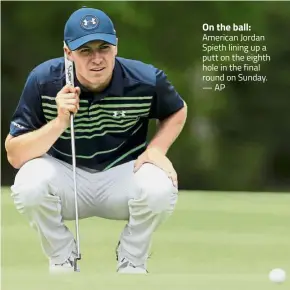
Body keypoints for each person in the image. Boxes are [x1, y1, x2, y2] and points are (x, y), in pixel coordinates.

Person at [5, 7, 187, 274]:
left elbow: (177, 110)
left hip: (122, 174)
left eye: (104, 47)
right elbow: (15, 155)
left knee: (160, 185)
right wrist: (59, 122)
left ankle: (132, 259)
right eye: (85, 51)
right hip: (66, 176)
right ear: (68, 53)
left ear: (116, 47)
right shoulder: (43, 80)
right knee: (28, 184)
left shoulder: (146, 80)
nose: (97, 59)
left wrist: (157, 148)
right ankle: (62, 257)